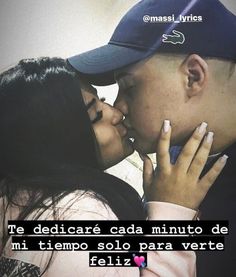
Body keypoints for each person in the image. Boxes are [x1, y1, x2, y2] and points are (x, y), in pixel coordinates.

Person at [0, 57, 226, 277]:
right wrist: (172, 216)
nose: (117, 113)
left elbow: (130, 261)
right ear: (54, 143)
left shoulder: (17, 200)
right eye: (96, 115)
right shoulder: (78, 219)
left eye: (103, 100)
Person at [67, 0, 236, 276]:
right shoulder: (171, 161)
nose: (117, 108)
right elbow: (136, 263)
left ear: (193, 77)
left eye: (128, 87)